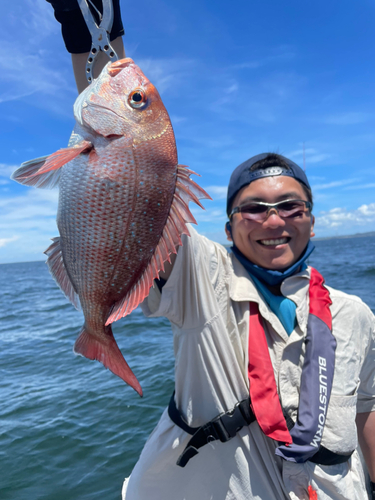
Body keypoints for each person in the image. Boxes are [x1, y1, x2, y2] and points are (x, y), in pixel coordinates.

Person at [48, 4, 375, 498]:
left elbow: (366, 405)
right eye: (254, 208)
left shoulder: (356, 315)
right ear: (226, 227)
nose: (273, 219)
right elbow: (127, 162)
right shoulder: (202, 276)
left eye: (291, 206)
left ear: (311, 219)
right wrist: (95, 29)